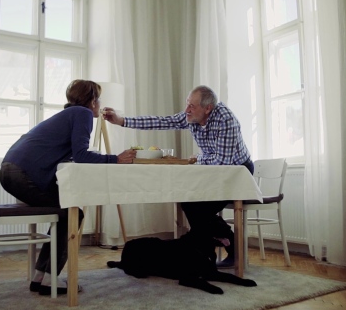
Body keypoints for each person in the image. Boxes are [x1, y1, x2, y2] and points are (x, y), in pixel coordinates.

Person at [0, 79, 137, 296]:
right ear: (92, 101)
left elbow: (70, 154)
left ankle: (41, 276)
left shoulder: (68, 114)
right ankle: (49, 278)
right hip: (21, 175)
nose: (99, 104)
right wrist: (116, 159)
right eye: (98, 99)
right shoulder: (82, 114)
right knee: (72, 213)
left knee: (67, 212)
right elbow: (81, 154)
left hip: (11, 171)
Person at [103, 85, 253, 267]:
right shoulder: (192, 116)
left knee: (200, 208)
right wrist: (121, 121)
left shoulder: (225, 120)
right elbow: (161, 121)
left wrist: (198, 159)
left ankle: (229, 249)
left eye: (192, 106)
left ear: (208, 108)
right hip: (212, 172)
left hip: (237, 173)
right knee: (188, 201)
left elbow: (223, 163)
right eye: (187, 104)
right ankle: (213, 248)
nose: (186, 110)